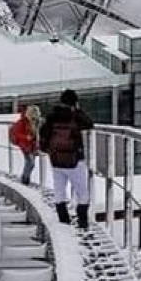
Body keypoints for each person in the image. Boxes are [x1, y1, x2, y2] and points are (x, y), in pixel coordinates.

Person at [40, 89, 94, 229]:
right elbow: (89, 124)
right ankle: (82, 221)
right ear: (75, 102)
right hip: (75, 159)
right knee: (82, 191)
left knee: (59, 189)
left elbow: (43, 134)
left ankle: (63, 219)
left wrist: (50, 150)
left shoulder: (52, 116)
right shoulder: (75, 116)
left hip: (56, 159)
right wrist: (78, 110)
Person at [9, 105, 41, 186]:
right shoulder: (22, 122)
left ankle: (26, 178)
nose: (34, 118)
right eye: (33, 116)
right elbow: (16, 133)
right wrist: (26, 137)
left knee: (31, 163)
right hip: (25, 145)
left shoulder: (37, 122)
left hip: (33, 145)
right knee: (30, 162)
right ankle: (25, 179)